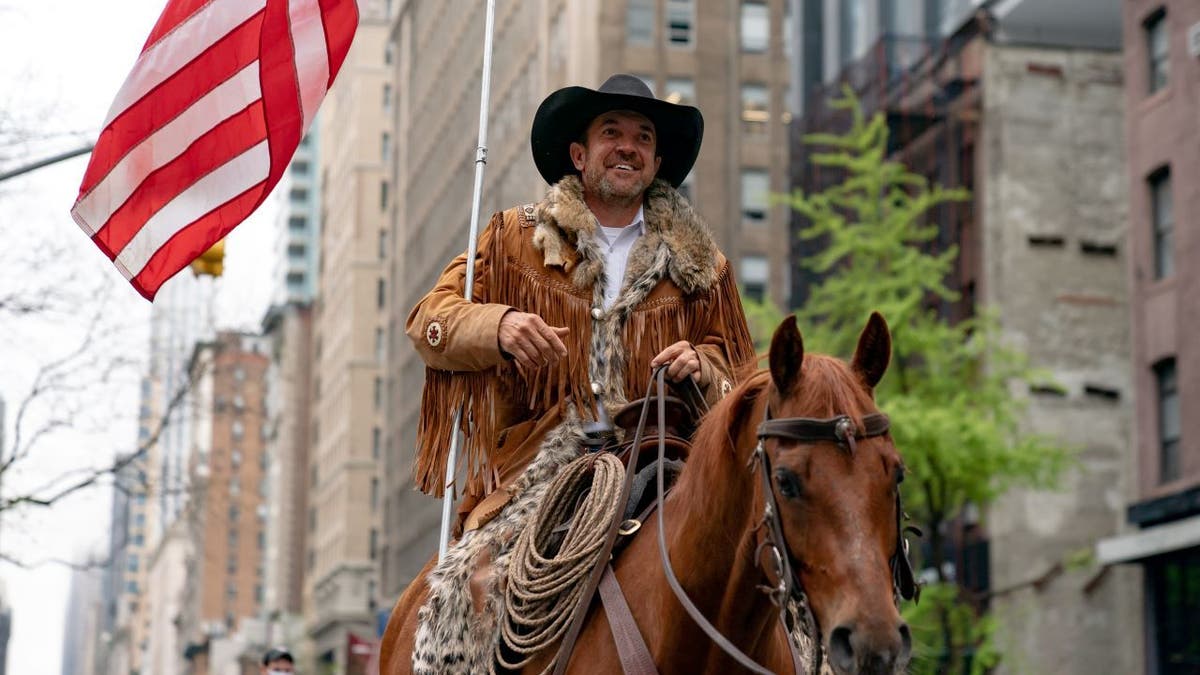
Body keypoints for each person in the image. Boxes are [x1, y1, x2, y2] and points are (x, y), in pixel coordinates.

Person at [406, 73, 756, 534]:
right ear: (579, 155)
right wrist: (499, 325)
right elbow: (428, 320)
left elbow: (745, 382)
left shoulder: (703, 265)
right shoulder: (516, 239)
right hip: (535, 471)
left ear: (655, 163)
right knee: (480, 581)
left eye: (643, 138)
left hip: (665, 467)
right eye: (611, 132)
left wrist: (702, 367)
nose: (628, 147)